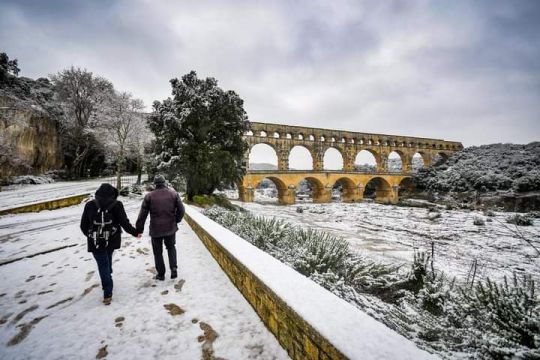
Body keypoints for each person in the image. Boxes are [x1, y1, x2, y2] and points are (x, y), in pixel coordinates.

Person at [80, 183, 139, 305]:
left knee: (103, 264)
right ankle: (108, 292)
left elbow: (83, 225)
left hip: (95, 242)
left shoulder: (90, 205)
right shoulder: (117, 205)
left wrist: (92, 236)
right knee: (106, 262)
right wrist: (135, 232)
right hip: (111, 239)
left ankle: (107, 280)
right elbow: (124, 222)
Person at [136, 175, 185, 281]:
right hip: (170, 228)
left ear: (155, 184)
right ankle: (173, 269)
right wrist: (176, 220)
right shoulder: (173, 194)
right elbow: (181, 210)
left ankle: (161, 274)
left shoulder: (149, 196)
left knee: (157, 252)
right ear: (165, 183)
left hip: (156, 229)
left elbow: (142, 215)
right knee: (171, 247)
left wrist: (139, 229)